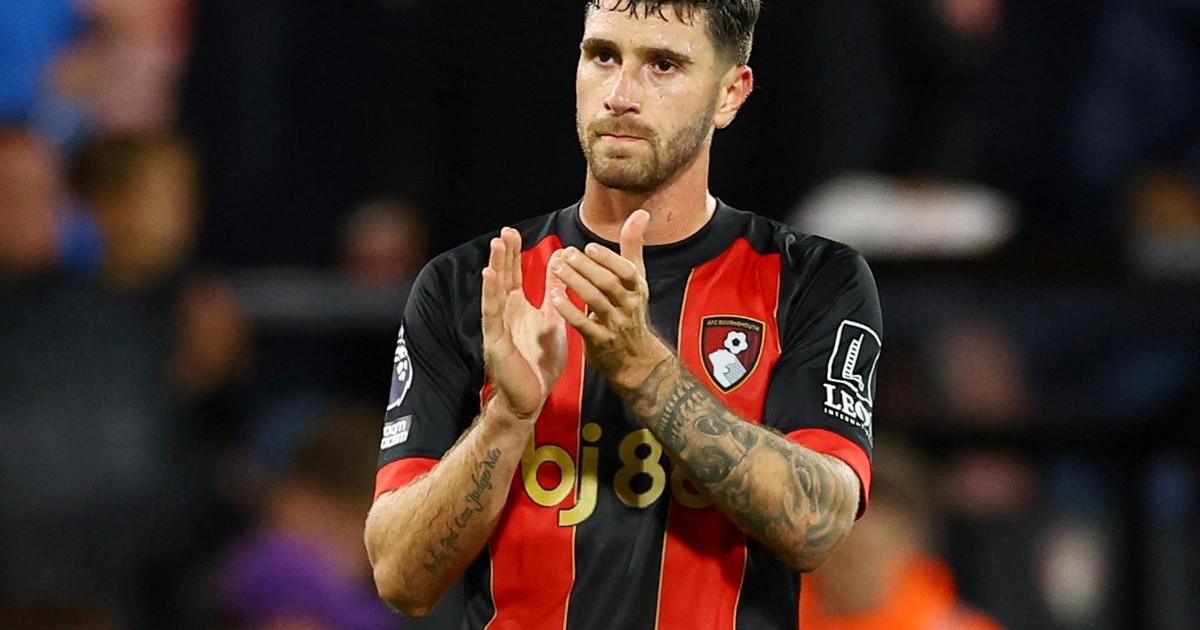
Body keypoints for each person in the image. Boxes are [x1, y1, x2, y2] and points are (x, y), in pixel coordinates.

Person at [363, 1, 882, 628]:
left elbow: (819, 526)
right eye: (603, 56)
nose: (620, 95)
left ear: (729, 94)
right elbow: (400, 579)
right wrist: (507, 417)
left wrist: (644, 369)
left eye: (663, 65)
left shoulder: (812, 281)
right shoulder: (471, 284)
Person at [798, 435, 1004, 630]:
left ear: (912, 549)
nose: (854, 572)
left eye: (870, 554)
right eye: (843, 556)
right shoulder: (785, 616)